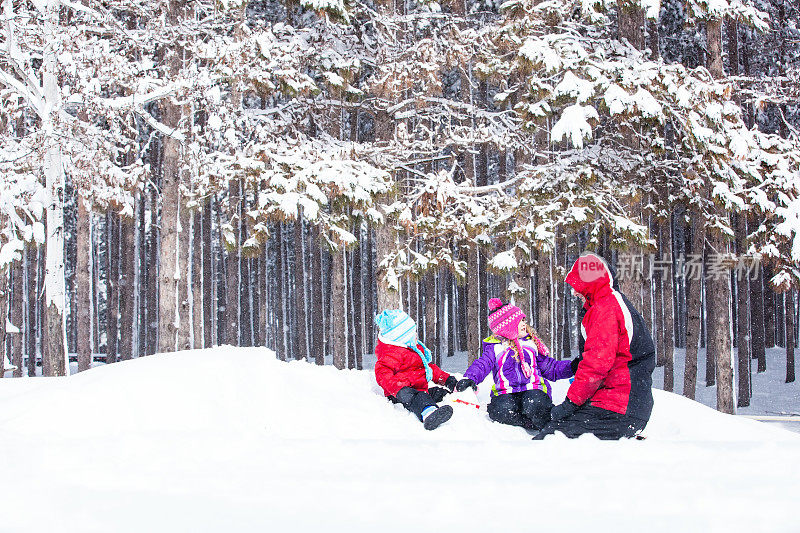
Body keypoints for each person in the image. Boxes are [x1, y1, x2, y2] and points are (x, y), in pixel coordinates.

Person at [533, 252, 656, 440]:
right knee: (554, 428)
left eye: (577, 285)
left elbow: (596, 365)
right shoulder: (611, 303)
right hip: (625, 405)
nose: (574, 292)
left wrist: (571, 403)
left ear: (591, 282)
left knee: (552, 439)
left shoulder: (605, 309)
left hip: (617, 408)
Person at [457, 298, 577, 431]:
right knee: (502, 410)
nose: (524, 323)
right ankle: (524, 423)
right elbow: (482, 365)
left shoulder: (531, 345)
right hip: (505, 391)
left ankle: (548, 423)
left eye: (523, 320)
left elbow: (550, 368)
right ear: (507, 327)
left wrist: (572, 367)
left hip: (533, 388)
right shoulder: (495, 348)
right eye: (519, 321)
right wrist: (470, 378)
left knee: (535, 404)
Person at [374, 309, 458, 430]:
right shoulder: (392, 354)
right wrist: (399, 389)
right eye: (412, 333)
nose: (416, 335)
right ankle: (429, 414)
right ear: (402, 337)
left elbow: (427, 369)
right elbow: (382, 374)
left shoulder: (414, 350)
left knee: (439, 393)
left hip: (419, 390)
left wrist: (447, 380)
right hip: (402, 395)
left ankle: (456, 402)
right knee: (421, 398)